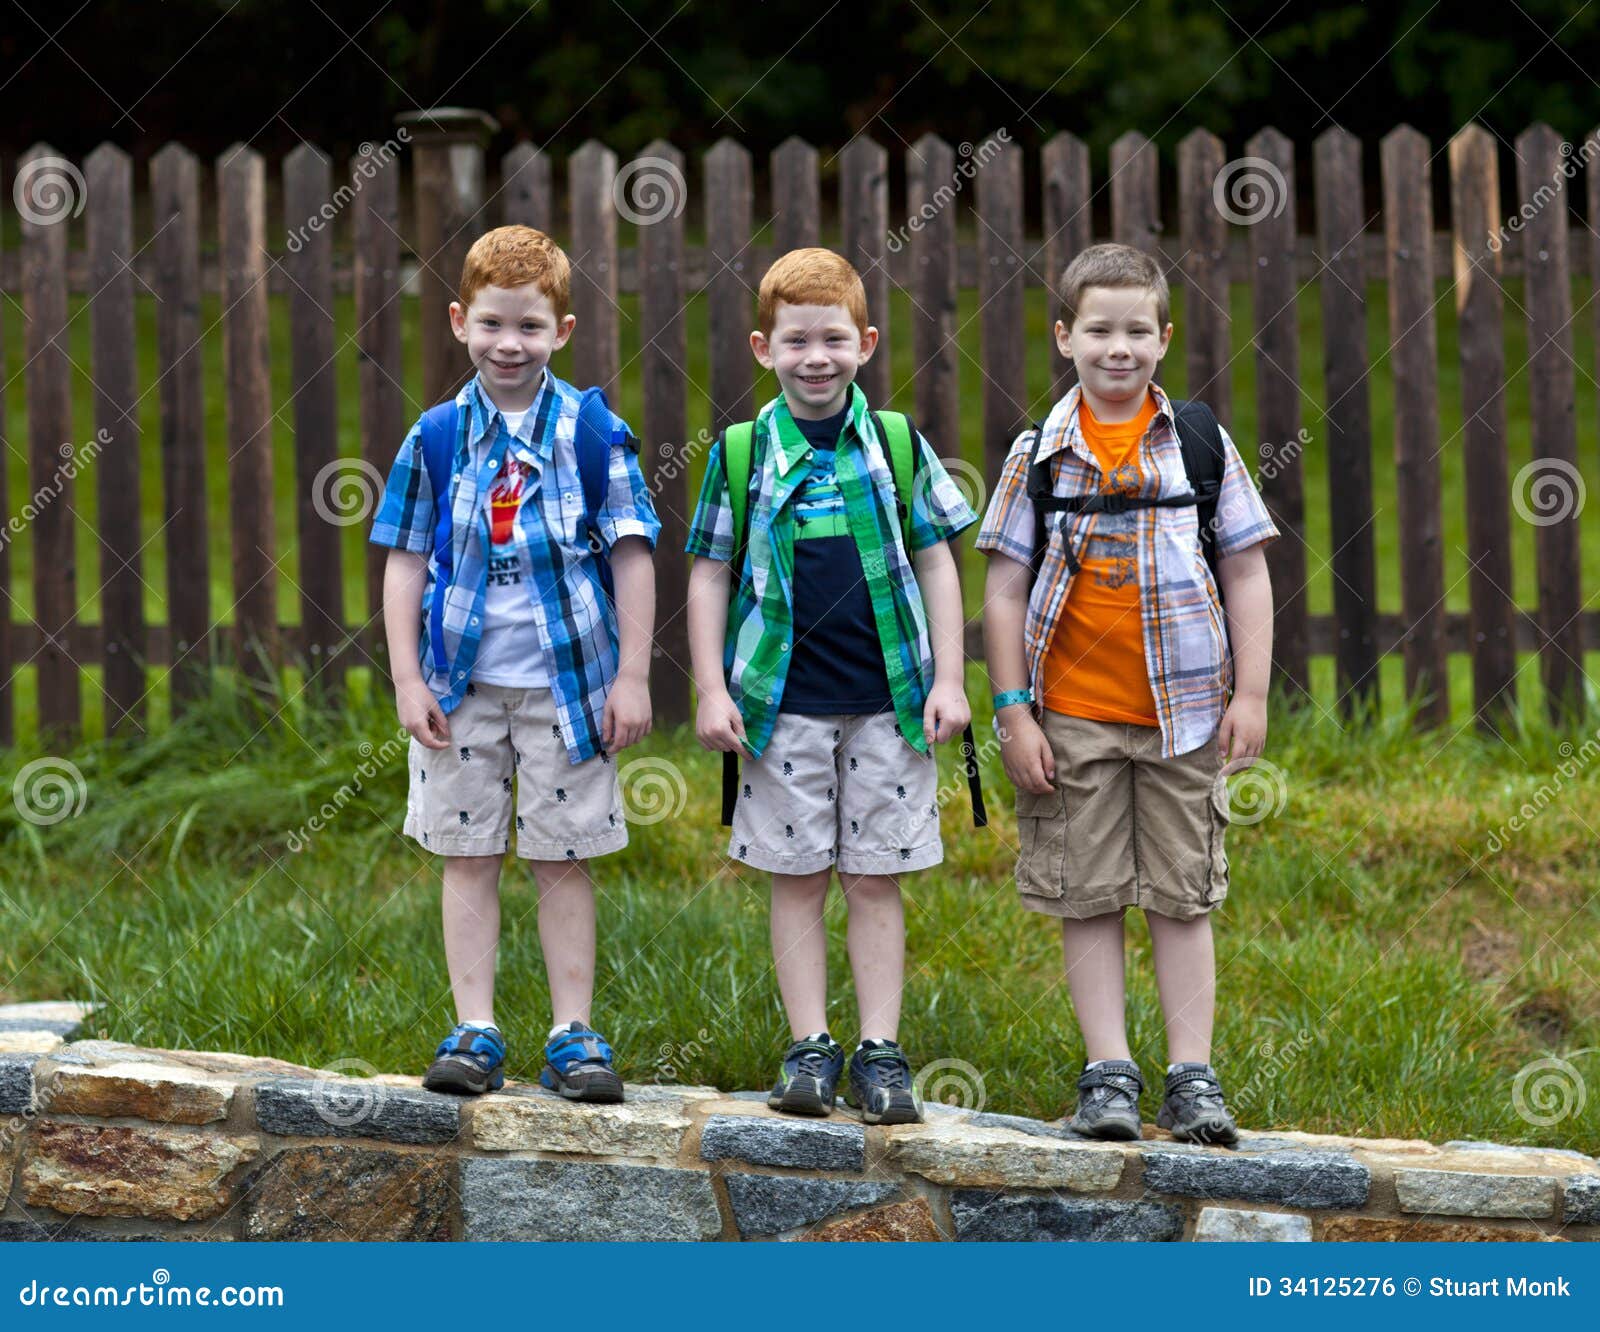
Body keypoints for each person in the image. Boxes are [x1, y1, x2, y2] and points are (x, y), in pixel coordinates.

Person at [976, 242, 1278, 1145]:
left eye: (1137, 330)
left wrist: (1251, 695)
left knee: (1183, 897)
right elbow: (1001, 587)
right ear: (1064, 337)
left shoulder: (1196, 441)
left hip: (1186, 715)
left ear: (1165, 336)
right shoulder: (1042, 452)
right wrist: (1013, 708)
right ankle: (1108, 1072)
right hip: (1071, 719)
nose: (1119, 347)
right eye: (1098, 329)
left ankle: (1192, 1076)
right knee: (1089, 893)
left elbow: (1248, 569)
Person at [684, 248, 976, 1124]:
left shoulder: (893, 443)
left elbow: (936, 558)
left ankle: (880, 1049)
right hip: (782, 710)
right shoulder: (741, 453)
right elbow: (707, 572)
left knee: (876, 878)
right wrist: (710, 687)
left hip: (890, 703)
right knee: (798, 876)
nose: (817, 357)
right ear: (763, 347)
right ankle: (810, 1045)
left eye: (835, 340)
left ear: (867, 343)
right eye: (797, 340)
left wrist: (951, 679)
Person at [369, 225, 659, 1102]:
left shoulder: (592, 430)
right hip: (461, 689)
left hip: (569, 690)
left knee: (563, 857)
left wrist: (634, 675)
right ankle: (476, 1026)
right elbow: (404, 557)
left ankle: (573, 1032)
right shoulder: (436, 436)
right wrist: (408, 677)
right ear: (461, 322)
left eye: (530, 327)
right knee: (467, 853)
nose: (509, 344)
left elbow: (633, 552)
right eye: (492, 324)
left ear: (562, 332)